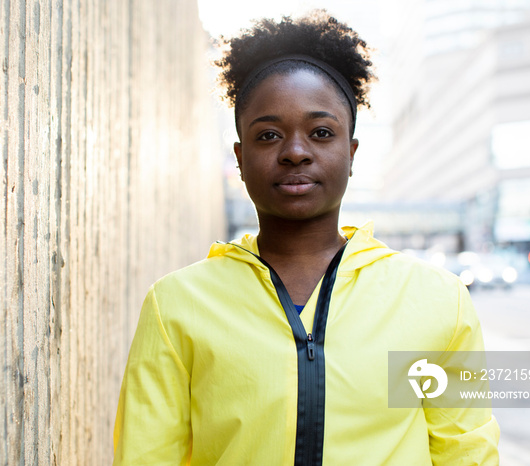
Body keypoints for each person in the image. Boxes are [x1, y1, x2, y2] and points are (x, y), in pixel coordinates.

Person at [113, 10, 500, 465]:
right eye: (269, 135)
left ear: (351, 152)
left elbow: (465, 452)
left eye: (320, 132)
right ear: (239, 157)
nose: (295, 152)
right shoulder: (177, 305)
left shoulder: (434, 299)